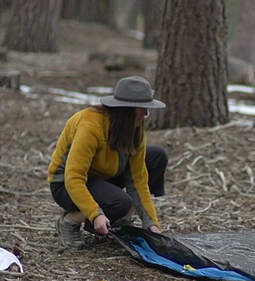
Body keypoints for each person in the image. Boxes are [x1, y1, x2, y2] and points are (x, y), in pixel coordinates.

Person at [47, 76, 168, 249]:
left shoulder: (135, 127)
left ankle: (118, 218)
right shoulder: (90, 126)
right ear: (125, 111)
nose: (146, 114)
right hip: (65, 185)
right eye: (142, 109)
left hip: (104, 176)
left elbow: (138, 178)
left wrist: (151, 223)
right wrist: (95, 214)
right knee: (121, 202)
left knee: (157, 156)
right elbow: (73, 177)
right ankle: (70, 221)